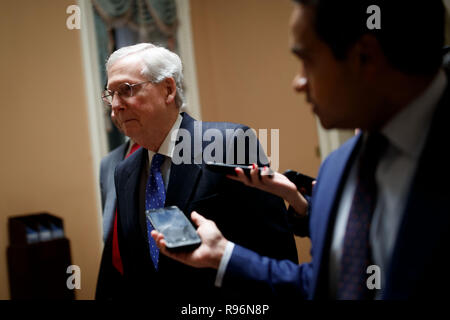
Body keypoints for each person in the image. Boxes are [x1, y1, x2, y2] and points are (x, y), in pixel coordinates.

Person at [152, 0, 450, 300]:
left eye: (307, 60)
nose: (298, 82)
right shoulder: (337, 167)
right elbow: (326, 283)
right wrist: (223, 256)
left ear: (365, 56)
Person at [105, 43, 298, 300]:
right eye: (111, 94)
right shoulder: (124, 172)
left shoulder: (229, 142)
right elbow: (135, 271)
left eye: (126, 90)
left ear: (168, 89)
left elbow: (275, 250)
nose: (115, 105)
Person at [95, 108, 140, 300]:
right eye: (110, 108)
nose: (114, 114)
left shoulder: (158, 154)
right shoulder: (108, 162)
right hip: (114, 270)